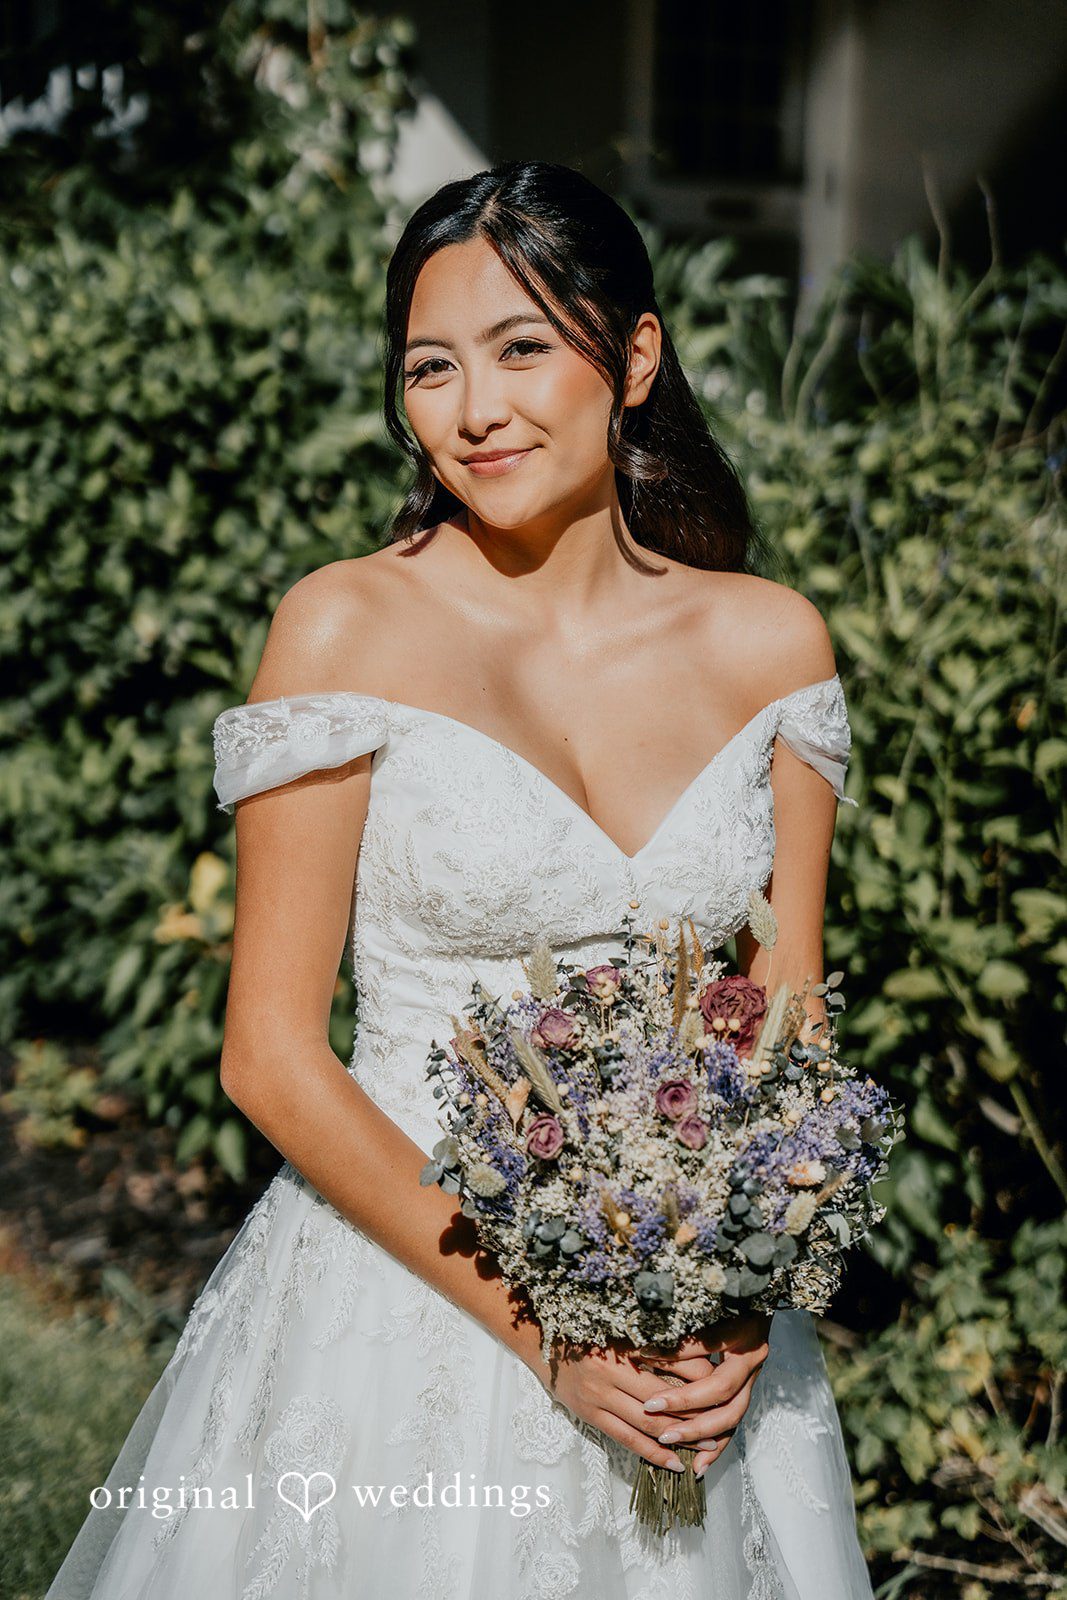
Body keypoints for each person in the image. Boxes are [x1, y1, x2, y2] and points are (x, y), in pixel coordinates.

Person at [47, 160, 874, 1599]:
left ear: (634, 357)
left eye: (521, 348)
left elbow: (785, 1010)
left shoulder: (771, 647)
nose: (474, 408)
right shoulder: (343, 627)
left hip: (697, 1324)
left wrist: (742, 1292)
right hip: (405, 1292)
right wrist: (547, 1336)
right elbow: (269, 1055)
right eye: (431, 367)